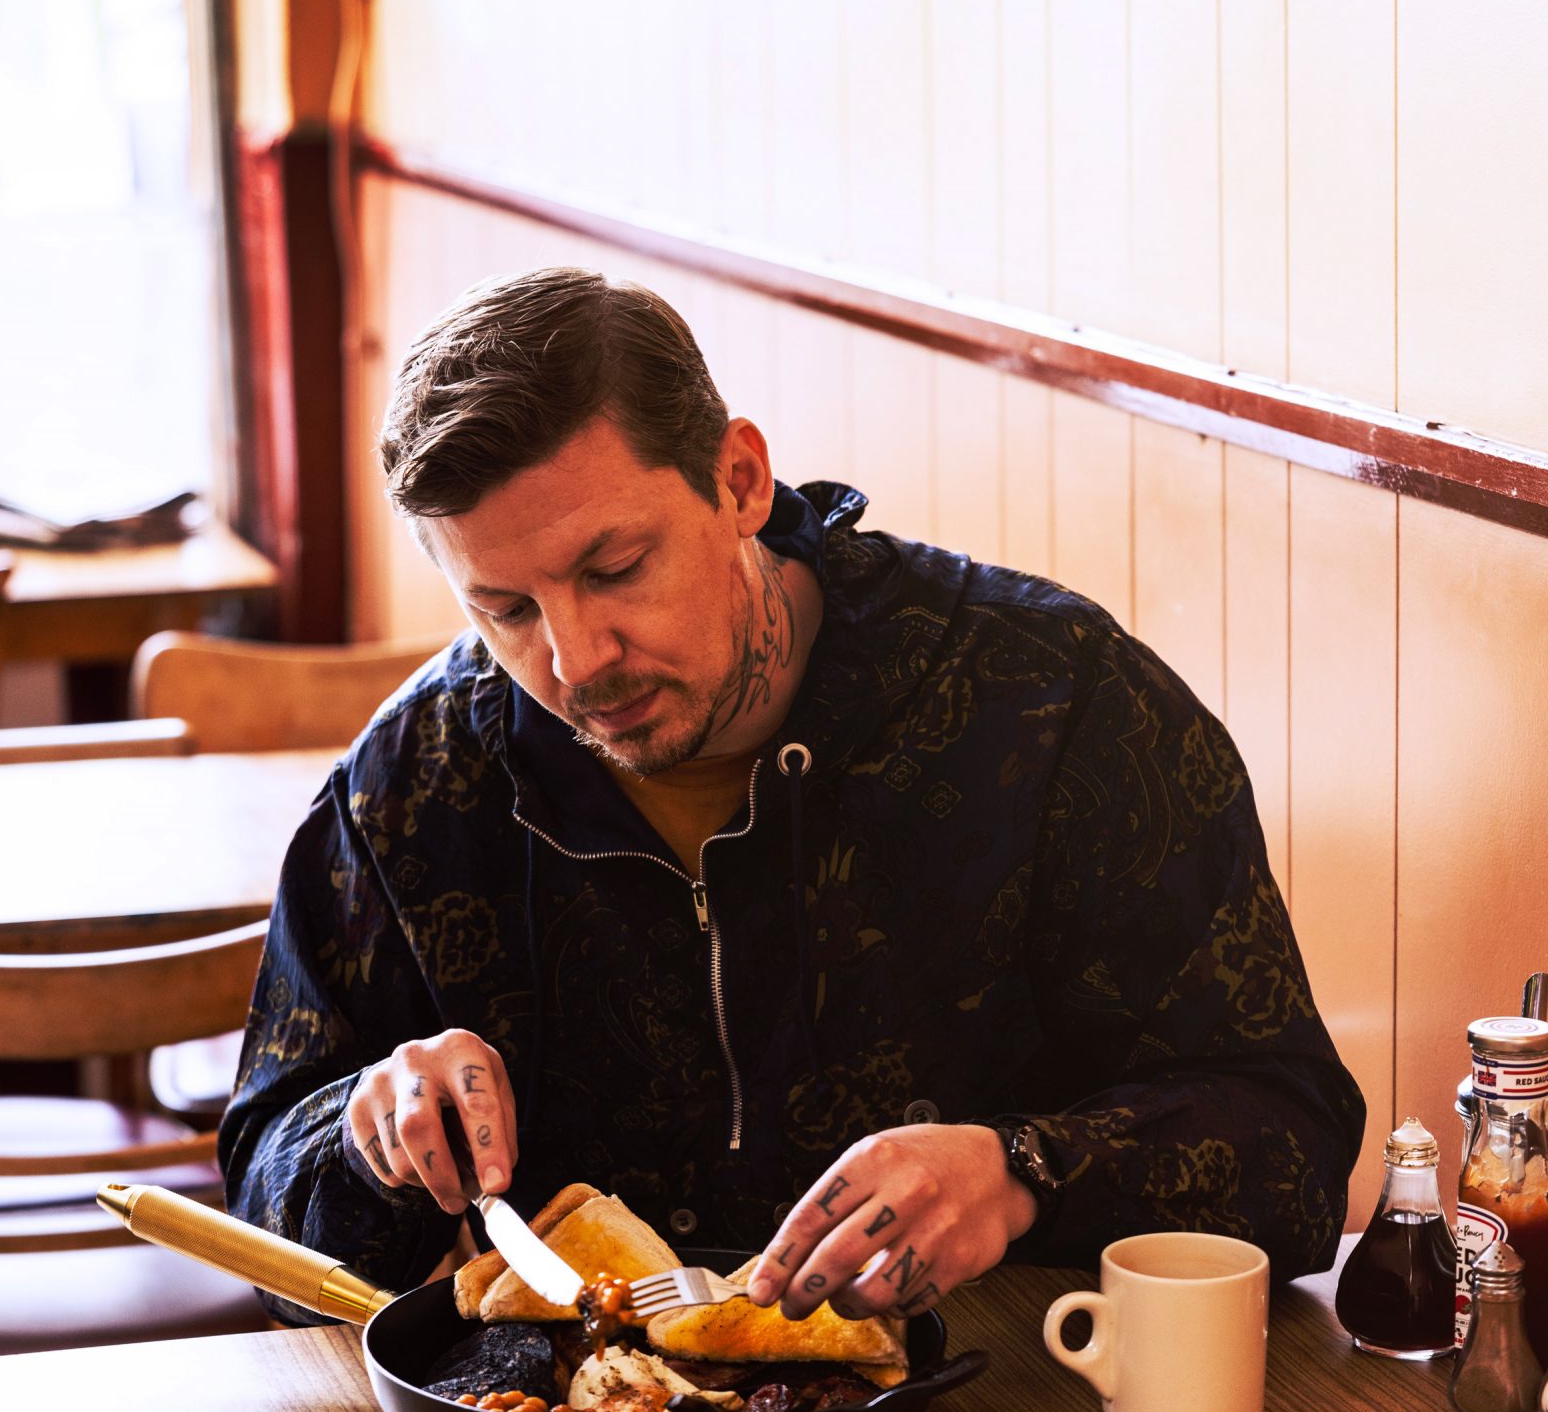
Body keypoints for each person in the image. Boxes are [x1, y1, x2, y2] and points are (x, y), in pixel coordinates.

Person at [220, 269, 1364, 1328]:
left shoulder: (1054, 705)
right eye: (505, 610)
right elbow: (265, 1190)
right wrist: (368, 1135)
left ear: (740, 481)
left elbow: (1295, 1148)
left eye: (613, 569)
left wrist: (1024, 1175)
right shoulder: (414, 786)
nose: (574, 660)